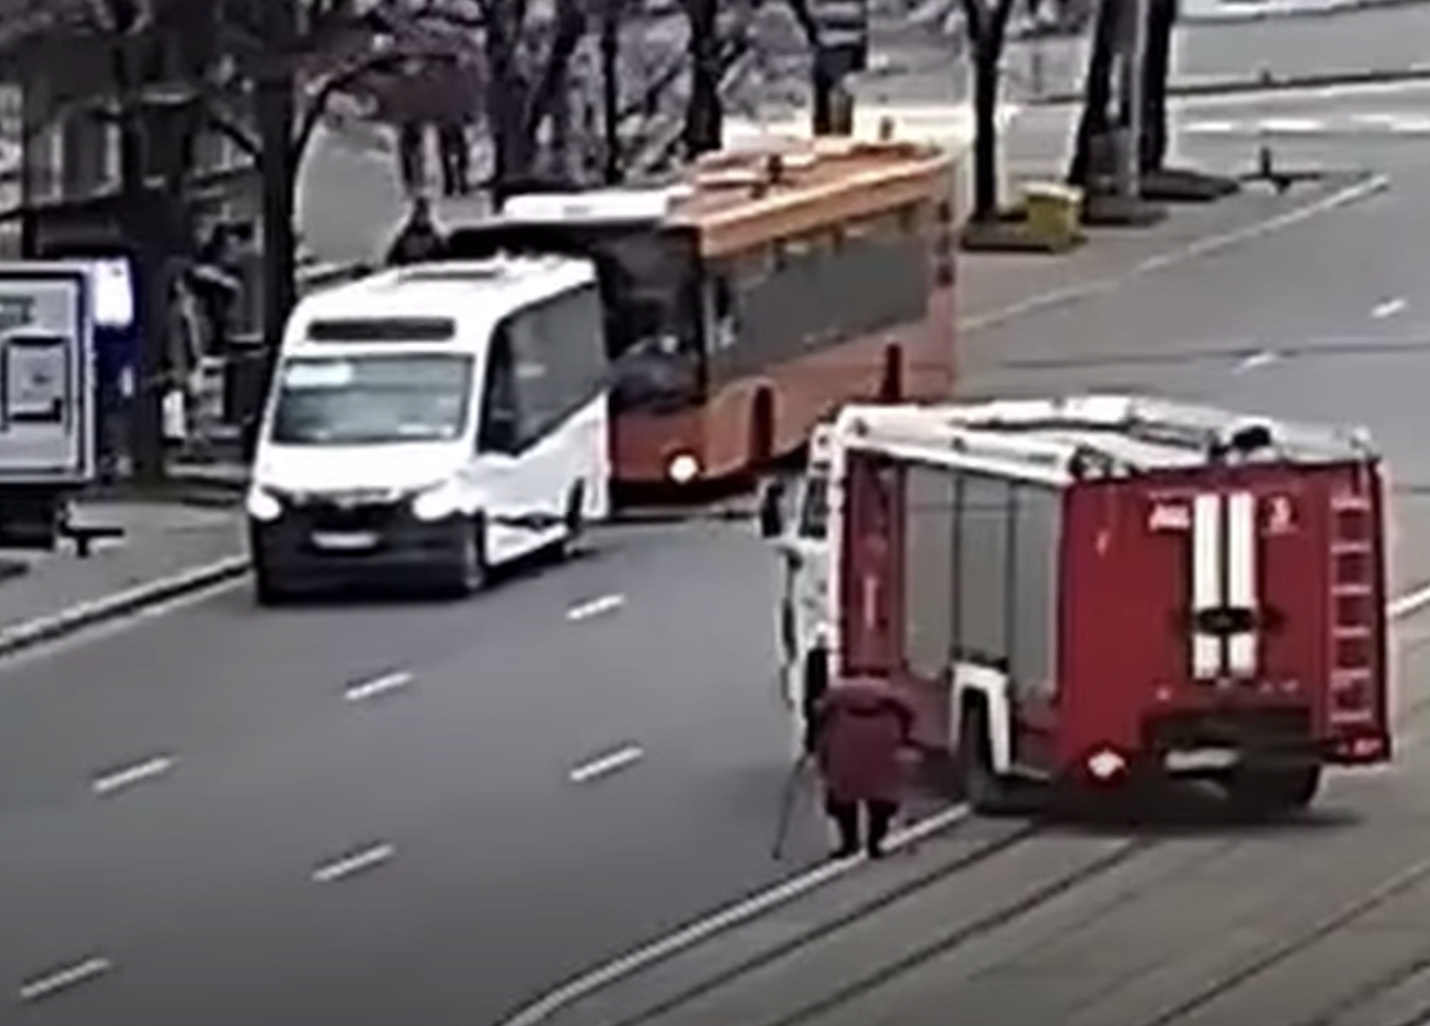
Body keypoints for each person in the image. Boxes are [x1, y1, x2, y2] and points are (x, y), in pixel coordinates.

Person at [812, 680, 915, 860]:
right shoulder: (893, 696)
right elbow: (909, 715)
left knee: (844, 795)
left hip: (844, 742)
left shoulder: (835, 696)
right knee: (882, 795)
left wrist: (816, 744)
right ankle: (874, 842)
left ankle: (850, 842)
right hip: (882, 740)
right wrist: (905, 739)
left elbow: (820, 717)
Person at [385, 196, 446, 267]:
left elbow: (443, 256)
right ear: (415, 215)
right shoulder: (405, 234)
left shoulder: (435, 235)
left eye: (424, 214)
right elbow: (392, 257)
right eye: (420, 214)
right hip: (409, 270)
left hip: (427, 269)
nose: (422, 218)